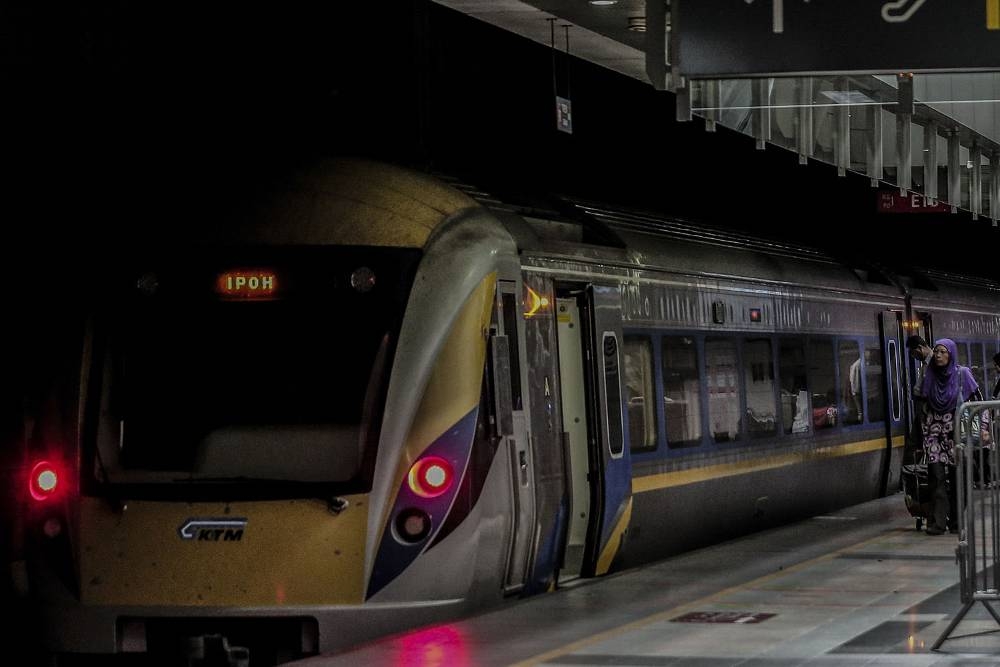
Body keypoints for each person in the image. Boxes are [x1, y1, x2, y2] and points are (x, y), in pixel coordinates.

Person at [920, 338, 986, 535]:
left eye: (943, 352)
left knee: (959, 478)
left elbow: (979, 402)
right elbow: (922, 406)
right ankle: (939, 523)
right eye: (936, 351)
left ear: (951, 354)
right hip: (934, 433)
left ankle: (957, 521)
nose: (938, 355)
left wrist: (983, 427)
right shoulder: (929, 375)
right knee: (936, 478)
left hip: (957, 432)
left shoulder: (962, 374)